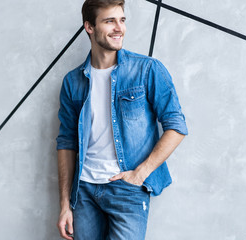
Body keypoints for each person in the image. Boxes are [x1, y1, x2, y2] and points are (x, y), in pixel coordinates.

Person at [56, 0, 188, 239]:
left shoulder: (147, 70)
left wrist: (139, 173)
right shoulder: (72, 82)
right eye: (109, 21)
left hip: (127, 190)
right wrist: (65, 204)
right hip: (84, 192)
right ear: (90, 27)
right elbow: (66, 143)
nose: (119, 28)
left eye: (122, 20)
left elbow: (176, 126)